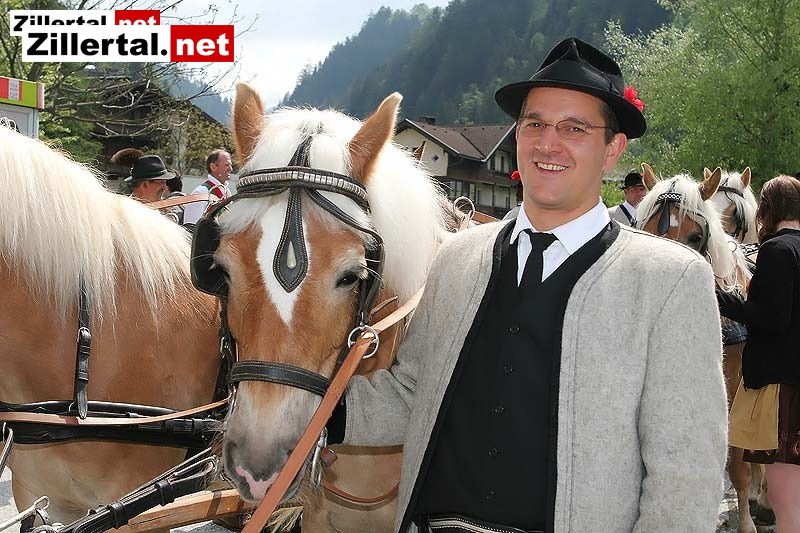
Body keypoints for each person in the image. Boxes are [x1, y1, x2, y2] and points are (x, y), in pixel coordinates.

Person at [327, 37, 727, 533]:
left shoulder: (669, 282)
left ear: (612, 150)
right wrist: (318, 412)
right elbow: (413, 392)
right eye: (534, 124)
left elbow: (685, 474)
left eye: (574, 128)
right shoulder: (456, 259)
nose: (548, 143)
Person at [717, 175, 800, 530]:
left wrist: (721, 297)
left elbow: (772, 317)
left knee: (784, 495)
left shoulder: (776, 250)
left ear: (765, 208)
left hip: (781, 384)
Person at [182, 149, 233, 226]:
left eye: (230, 165)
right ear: (213, 167)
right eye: (226, 165)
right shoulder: (201, 193)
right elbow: (191, 227)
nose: (230, 169)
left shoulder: (226, 192)